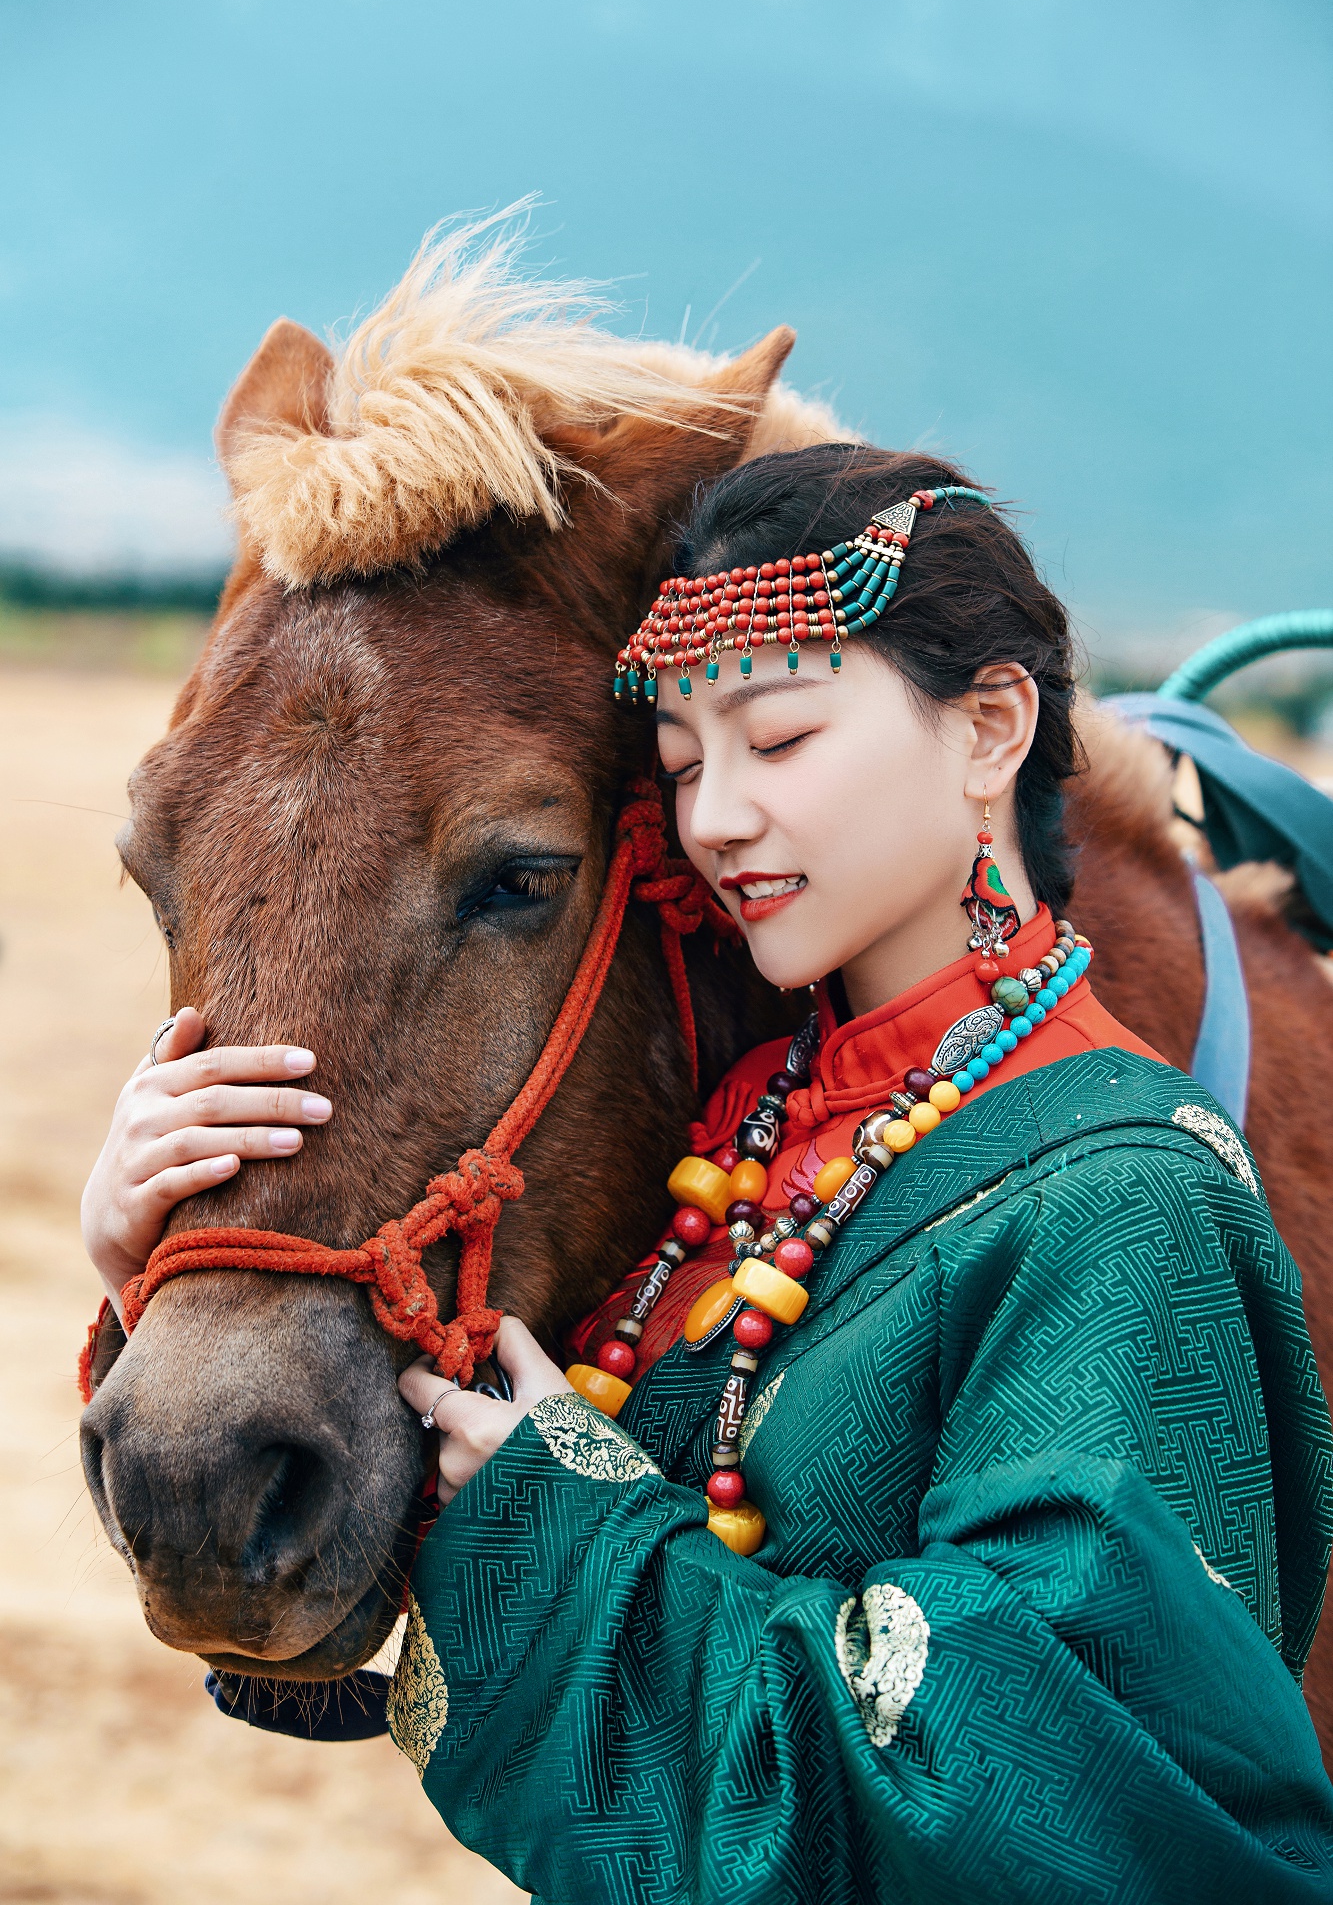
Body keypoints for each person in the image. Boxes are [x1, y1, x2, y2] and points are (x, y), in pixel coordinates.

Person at [84, 446, 1333, 1902]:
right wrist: (182, 1275)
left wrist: (569, 1535)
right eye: (680, 765)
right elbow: (377, 1535)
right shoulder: (749, 1138)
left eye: (780, 739)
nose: (717, 817)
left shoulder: (1124, 1202)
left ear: (991, 727)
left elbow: (1058, 1816)